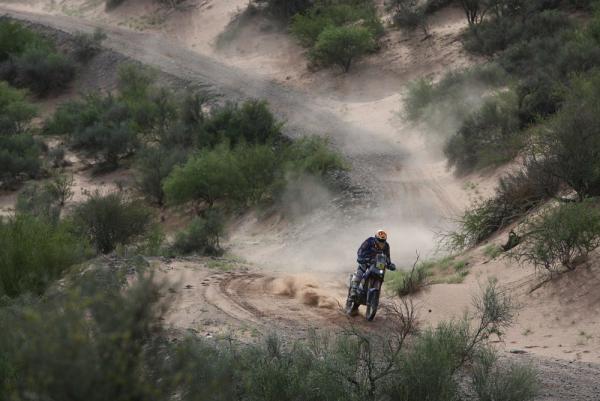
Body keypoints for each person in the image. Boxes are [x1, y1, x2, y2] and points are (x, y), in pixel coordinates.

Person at [350, 230, 396, 298]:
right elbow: (360, 250)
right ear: (375, 238)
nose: (381, 242)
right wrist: (361, 258)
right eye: (379, 240)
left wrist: (389, 264)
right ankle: (354, 289)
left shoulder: (386, 246)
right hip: (366, 260)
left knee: (382, 272)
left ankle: (376, 292)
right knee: (361, 271)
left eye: (383, 241)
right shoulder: (369, 241)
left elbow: (387, 257)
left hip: (378, 264)